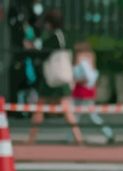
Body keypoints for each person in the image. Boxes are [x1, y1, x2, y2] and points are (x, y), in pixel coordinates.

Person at [28, 8, 83, 145]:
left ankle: (31, 139)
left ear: (50, 23)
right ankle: (79, 139)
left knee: (40, 107)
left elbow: (42, 53)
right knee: (66, 109)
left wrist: (32, 48)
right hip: (62, 78)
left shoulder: (54, 37)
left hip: (53, 78)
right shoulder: (65, 36)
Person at [72, 42, 115, 144]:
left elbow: (82, 76)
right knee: (80, 116)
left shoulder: (81, 57)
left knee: (77, 117)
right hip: (88, 91)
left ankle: (71, 138)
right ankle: (108, 133)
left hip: (81, 91)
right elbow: (93, 75)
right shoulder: (91, 56)